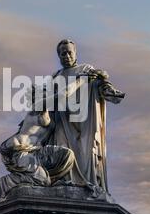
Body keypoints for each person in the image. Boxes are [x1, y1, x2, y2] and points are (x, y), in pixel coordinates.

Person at [48, 39, 125, 196]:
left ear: (75, 53)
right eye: (63, 53)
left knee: (85, 153)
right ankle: (65, 183)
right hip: (63, 120)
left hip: (85, 122)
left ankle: (88, 185)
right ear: (59, 56)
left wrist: (110, 91)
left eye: (69, 52)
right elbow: (48, 100)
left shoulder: (86, 69)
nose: (67, 56)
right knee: (62, 150)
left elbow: (101, 84)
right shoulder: (56, 77)